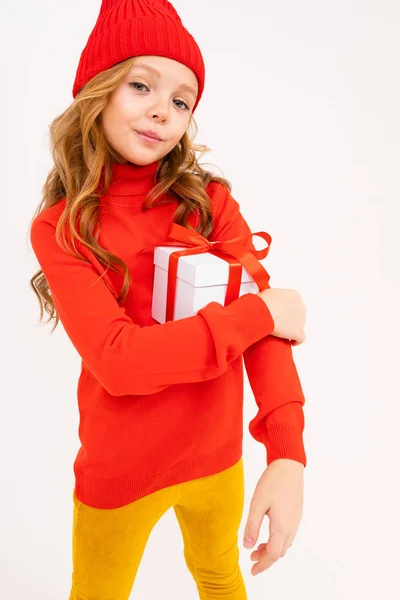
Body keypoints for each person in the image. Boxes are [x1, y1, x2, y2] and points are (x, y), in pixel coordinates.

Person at [29, 1, 307, 598]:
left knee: (219, 576)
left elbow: (269, 343)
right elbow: (120, 360)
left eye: (182, 100)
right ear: (96, 93)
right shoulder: (62, 227)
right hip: (119, 473)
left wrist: (288, 455)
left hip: (217, 462)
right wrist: (257, 312)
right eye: (140, 85)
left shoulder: (211, 204)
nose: (163, 109)